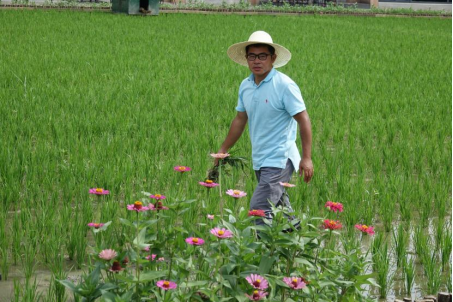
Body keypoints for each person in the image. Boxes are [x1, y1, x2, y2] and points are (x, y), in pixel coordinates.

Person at [216, 31, 314, 227]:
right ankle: (297, 249)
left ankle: (259, 255)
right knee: (281, 211)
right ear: (246, 59)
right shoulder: (246, 85)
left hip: (279, 158)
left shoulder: (284, 85)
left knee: (258, 209)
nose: (257, 61)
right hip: (260, 158)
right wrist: (223, 149)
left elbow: (303, 119)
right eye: (252, 56)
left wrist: (307, 157)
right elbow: (240, 119)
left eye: (262, 56)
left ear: (273, 58)